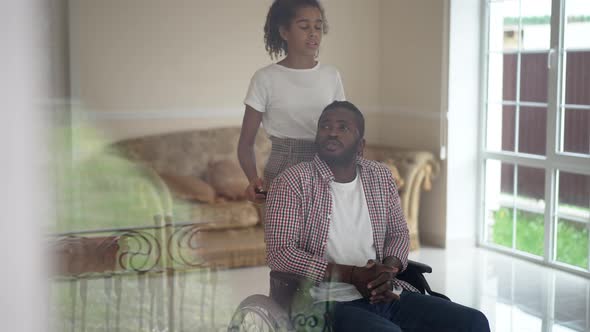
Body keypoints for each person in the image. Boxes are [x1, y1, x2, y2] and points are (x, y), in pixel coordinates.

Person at [265, 101, 491, 332]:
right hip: (324, 302)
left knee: (473, 322)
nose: (332, 132)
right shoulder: (292, 182)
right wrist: (353, 275)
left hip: (387, 294)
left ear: (360, 145)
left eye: (343, 127)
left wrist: (387, 271)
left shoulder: (380, 176)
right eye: (325, 126)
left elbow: (398, 233)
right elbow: (281, 254)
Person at [238, 0, 345, 204]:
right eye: (304, 26)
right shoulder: (265, 78)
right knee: (283, 235)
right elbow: (245, 143)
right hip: (282, 166)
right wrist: (253, 180)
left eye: (318, 26)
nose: (313, 33)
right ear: (284, 32)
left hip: (327, 164)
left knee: (326, 236)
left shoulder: (332, 75)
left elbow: (345, 127)